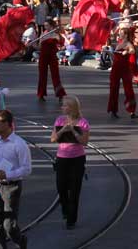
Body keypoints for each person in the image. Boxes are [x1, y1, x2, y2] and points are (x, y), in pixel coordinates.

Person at [0, 109, 32, 249]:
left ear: (7, 124)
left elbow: (27, 169)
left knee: (9, 225)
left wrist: (8, 175)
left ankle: (20, 240)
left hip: (11, 187)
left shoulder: (19, 144)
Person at [51, 95, 90, 229]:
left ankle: (71, 219)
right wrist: (62, 130)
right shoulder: (59, 120)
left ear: (72, 107)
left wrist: (73, 130)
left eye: (65, 105)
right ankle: (65, 207)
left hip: (77, 159)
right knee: (61, 187)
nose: (62, 107)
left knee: (74, 189)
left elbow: (84, 142)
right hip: (62, 158)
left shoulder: (83, 122)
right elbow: (53, 139)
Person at [108, 27, 138, 118]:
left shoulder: (128, 43)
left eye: (120, 33)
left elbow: (133, 50)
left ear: (125, 34)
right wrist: (108, 53)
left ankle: (132, 111)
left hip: (124, 68)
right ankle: (113, 110)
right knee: (113, 88)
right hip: (116, 68)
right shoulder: (118, 44)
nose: (119, 34)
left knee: (128, 89)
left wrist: (128, 51)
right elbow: (115, 57)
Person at [36, 20, 67, 101]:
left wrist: (58, 33)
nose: (46, 27)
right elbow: (39, 46)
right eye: (45, 26)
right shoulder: (43, 34)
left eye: (47, 25)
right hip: (43, 57)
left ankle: (60, 94)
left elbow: (61, 43)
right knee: (42, 75)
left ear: (51, 26)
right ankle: (41, 94)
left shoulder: (55, 34)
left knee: (55, 75)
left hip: (52, 56)